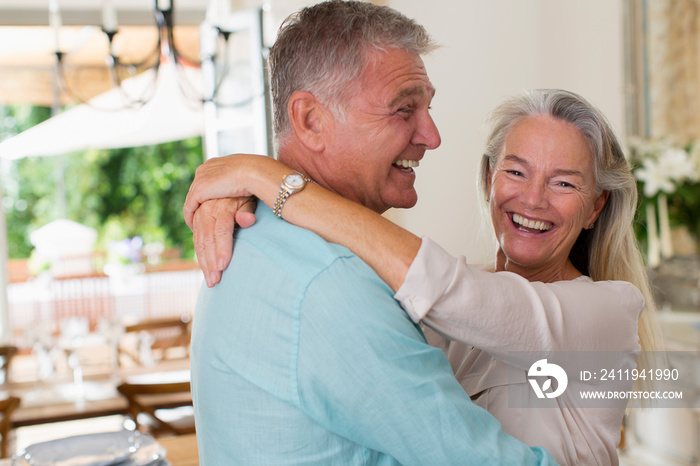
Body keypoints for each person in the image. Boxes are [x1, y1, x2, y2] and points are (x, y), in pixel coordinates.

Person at [185, 87, 662, 465]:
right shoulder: (441, 303)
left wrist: (264, 176)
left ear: (596, 207)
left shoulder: (608, 310)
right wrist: (244, 197)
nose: (533, 199)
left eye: (563, 183)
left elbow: (462, 297)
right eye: (516, 173)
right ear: (489, 180)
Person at [188, 1, 556, 465]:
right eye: (404, 109)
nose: (432, 135)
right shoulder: (330, 285)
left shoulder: (254, 235)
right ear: (310, 120)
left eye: (428, 107)